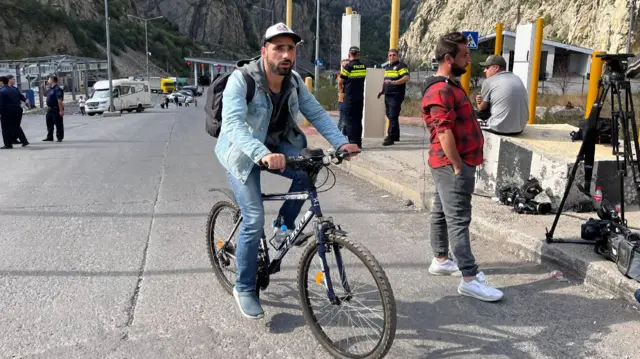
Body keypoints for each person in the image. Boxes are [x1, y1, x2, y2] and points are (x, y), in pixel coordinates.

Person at [215, 22, 360, 319]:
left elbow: (316, 112)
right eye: (278, 47)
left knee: (311, 168)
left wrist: (341, 143)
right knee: (253, 219)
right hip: (243, 154)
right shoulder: (242, 80)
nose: (285, 54)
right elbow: (233, 126)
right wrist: (263, 154)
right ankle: (244, 287)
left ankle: (282, 228)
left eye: (290, 48)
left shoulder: (293, 79)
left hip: (279, 147)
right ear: (264, 51)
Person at [421, 32, 503, 302]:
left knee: (442, 212)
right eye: (465, 55)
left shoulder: (450, 84)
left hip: (450, 163)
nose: (469, 59)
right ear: (448, 58)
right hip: (451, 164)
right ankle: (469, 278)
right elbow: (443, 132)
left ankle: (441, 259)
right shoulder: (440, 89)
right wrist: (457, 165)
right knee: (459, 220)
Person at [475, 55, 529, 135]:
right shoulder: (516, 78)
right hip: (520, 128)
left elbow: (481, 108)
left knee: (470, 115)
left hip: (499, 128)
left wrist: (478, 101)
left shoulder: (489, 81)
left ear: (496, 68)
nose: (485, 71)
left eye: (487, 67)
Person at [379, 49, 410, 146]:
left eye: (394, 55)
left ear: (398, 56)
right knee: (390, 115)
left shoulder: (401, 66)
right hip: (388, 94)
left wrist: (394, 82)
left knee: (392, 115)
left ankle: (390, 137)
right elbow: (386, 81)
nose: (392, 57)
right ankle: (396, 135)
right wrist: (382, 91)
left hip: (396, 94)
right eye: (390, 55)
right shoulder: (387, 67)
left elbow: (406, 78)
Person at [338, 46, 367, 148]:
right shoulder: (363, 66)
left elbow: (340, 81)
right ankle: (358, 143)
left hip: (349, 98)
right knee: (358, 120)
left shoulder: (348, 67)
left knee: (349, 121)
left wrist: (341, 90)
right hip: (359, 98)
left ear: (349, 55)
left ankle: (352, 143)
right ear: (358, 54)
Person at [0, 76, 29, 149]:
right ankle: (24, 141)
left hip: (8, 111)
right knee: (16, 126)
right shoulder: (14, 89)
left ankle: (8, 144)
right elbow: (21, 97)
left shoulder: (2, 91)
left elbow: (1, 104)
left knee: (6, 128)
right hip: (17, 110)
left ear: (2, 82)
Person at [7, 75, 29, 145]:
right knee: (14, 126)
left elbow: (20, 96)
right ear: (9, 80)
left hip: (17, 109)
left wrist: (25, 100)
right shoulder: (5, 89)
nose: (14, 81)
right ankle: (19, 140)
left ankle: (18, 139)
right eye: (13, 79)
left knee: (16, 125)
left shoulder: (15, 89)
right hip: (10, 109)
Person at [43, 76, 64, 142]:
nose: (48, 81)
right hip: (50, 109)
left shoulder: (57, 89)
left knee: (58, 123)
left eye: (49, 79)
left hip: (56, 108)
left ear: (52, 80)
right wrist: (43, 87)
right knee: (49, 123)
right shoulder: (50, 89)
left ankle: (59, 137)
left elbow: (59, 100)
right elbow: (45, 95)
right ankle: (50, 137)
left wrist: (61, 110)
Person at [337, 59, 349, 135]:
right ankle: (337, 137)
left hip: (349, 99)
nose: (344, 67)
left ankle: (345, 136)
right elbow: (340, 84)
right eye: (343, 65)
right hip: (342, 100)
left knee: (347, 121)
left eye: (346, 65)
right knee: (342, 121)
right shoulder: (340, 75)